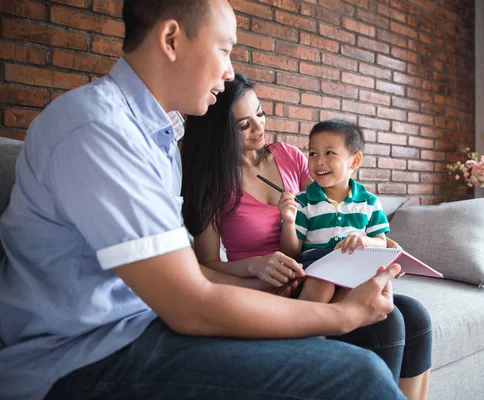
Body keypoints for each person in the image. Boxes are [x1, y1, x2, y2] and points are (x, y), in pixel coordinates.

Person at [0, 1, 406, 399]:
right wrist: (342, 315)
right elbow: (190, 304)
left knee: (385, 328)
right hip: (83, 355)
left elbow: (183, 273)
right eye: (224, 49)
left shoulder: (157, 138)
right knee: (359, 375)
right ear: (172, 38)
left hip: (146, 322)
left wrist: (252, 280)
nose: (230, 71)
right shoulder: (98, 130)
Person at [183, 73, 433, 400]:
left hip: (318, 271)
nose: (259, 127)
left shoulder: (289, 155)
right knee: (389, 323)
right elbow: (207, 264)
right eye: (244, 125)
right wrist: (254, 266)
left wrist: (377, 241)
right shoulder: (213, 183)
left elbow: (326, 213)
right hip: (276, 290)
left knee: (415, 315)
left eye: (260, 113)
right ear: (220, 131)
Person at [279, 119, 389, 304]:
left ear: (355, 160)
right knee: (322, 284)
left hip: (354, 269)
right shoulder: (303, 201)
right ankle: (306, 330)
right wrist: (289, 221)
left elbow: (382, 244)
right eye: (313, 153)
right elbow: (291, 252)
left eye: (329, 153)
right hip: (315, 271)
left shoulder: (369, 202)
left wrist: (366, 240)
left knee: (359, 288)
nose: (319, 161)